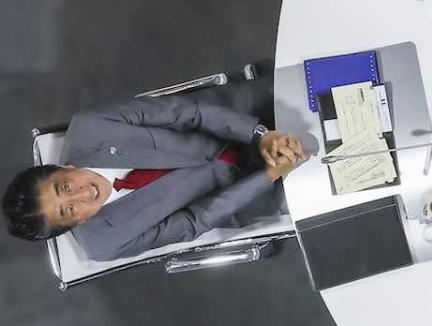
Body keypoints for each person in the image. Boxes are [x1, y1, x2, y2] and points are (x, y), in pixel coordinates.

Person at [3, 80, 304, 261]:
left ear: (58, 168)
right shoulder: (104, 244)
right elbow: (193, 221)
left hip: (235, 117)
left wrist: (260, 133)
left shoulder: (90, 127)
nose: (84, 194)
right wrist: (268, 177)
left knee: (313, 89)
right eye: (69, 210)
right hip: (237, 196)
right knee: (326, 189)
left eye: (65, 186)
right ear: (73, 225)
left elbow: (187, 113)